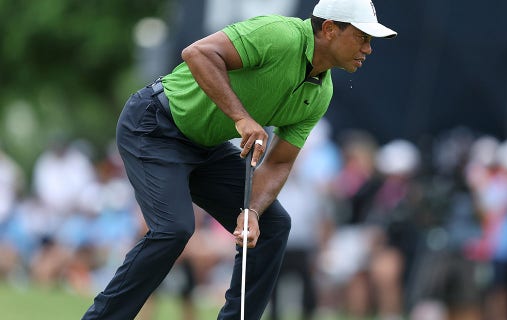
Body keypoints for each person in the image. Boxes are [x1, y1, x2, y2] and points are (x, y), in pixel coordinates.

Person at [81, 0, 396, 319]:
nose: (368, 49)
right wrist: (241, 117)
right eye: (362, 37)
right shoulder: (279, 34)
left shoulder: (320, 92)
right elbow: (197, 53)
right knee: (174, 229)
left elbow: (278, 162)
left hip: (206, 146)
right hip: (155, 125)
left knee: (272, 225)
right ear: (329, 29)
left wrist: (252, 212)